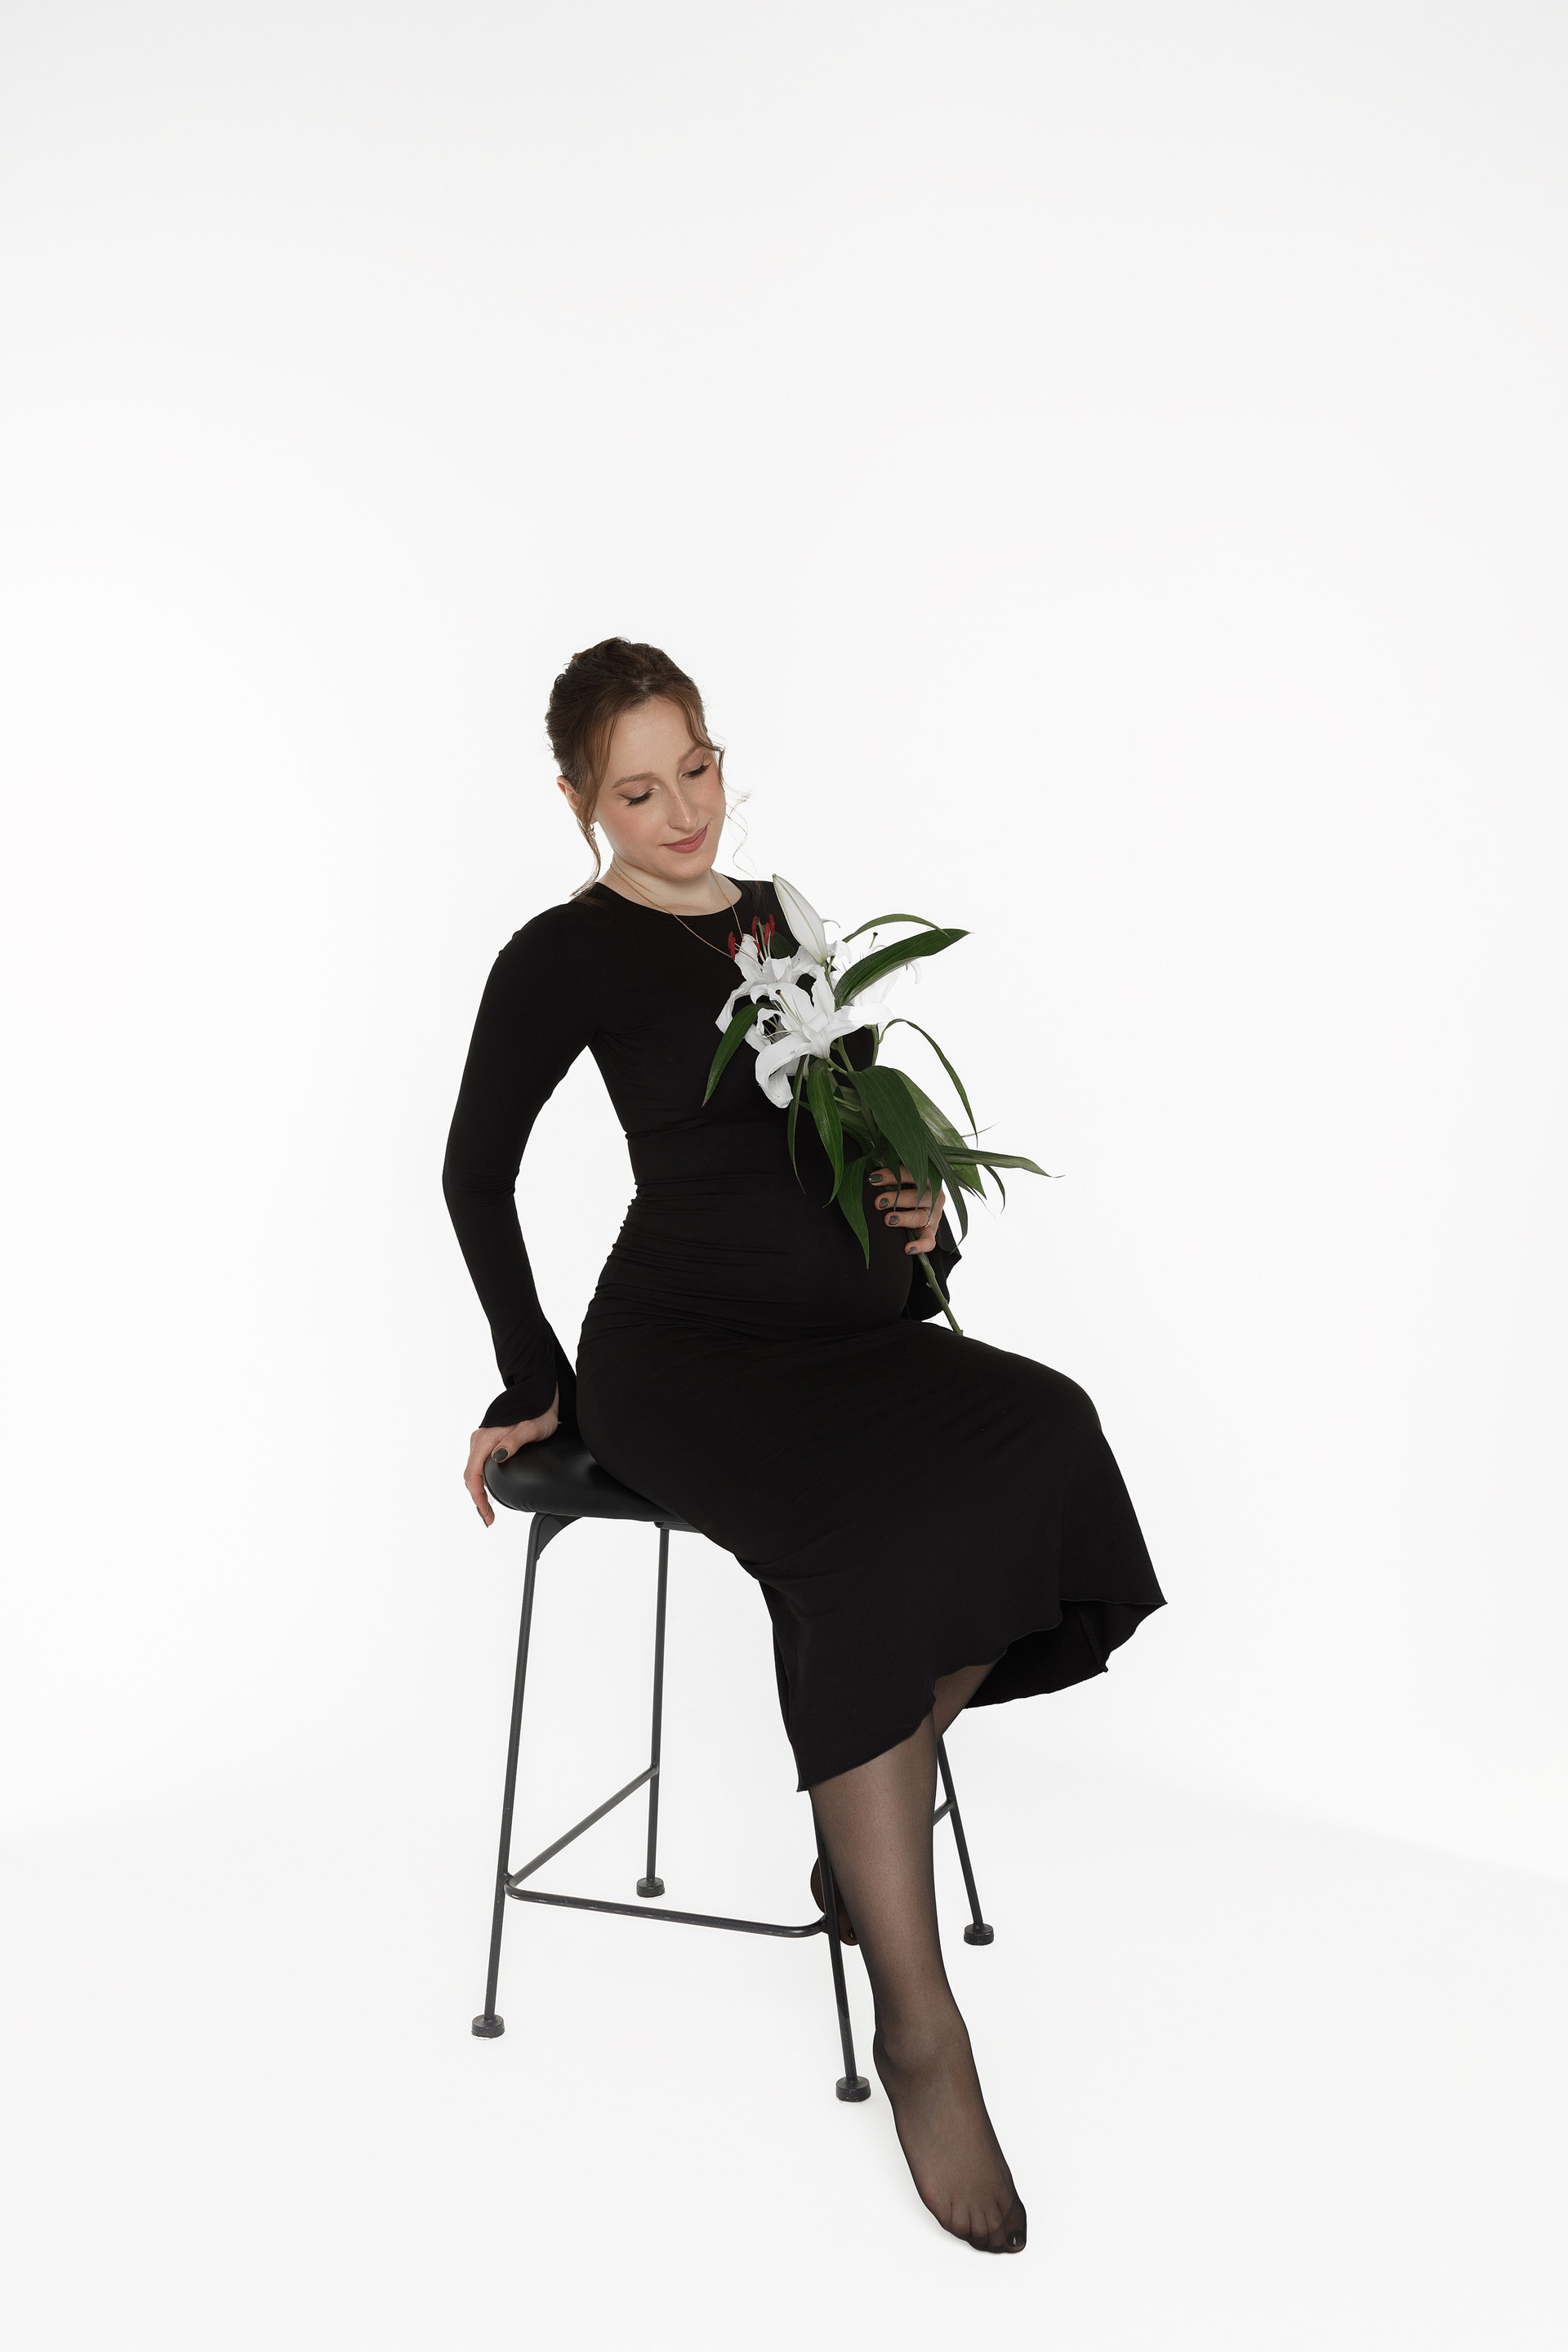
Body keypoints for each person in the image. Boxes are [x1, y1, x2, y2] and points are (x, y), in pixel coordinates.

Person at [443, 637, 1165, 2252]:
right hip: (682, 1358)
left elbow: (844, 1124)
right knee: (857, 1546)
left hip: (848, 1337)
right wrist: (531, 1374)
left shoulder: (781, 919)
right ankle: (921, 2028)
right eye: (638, 789)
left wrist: (920, 1229)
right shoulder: (561, 955)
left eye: (696, 767)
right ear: (578, 801)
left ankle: (865, 1827)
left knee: (1047, 1430)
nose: (681, 809)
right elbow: (473, 1174)